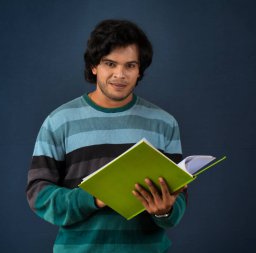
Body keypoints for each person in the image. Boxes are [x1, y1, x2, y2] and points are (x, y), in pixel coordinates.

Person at [26, 19, 187, 253]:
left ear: (139, 69)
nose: (119, 74)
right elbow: (38, 193)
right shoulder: (59, 121)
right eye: (110, 64)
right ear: (94, 66)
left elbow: (178, 199)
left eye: (130, 66)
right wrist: (93, 198)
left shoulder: (164, 123)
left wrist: (165, 210)